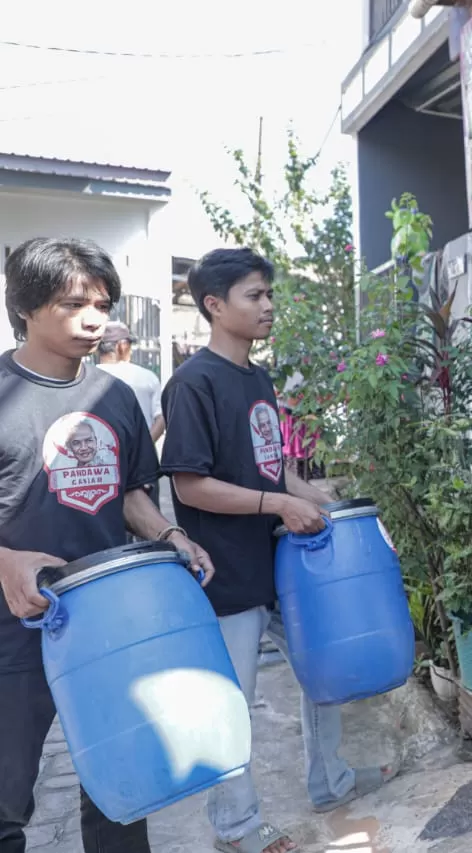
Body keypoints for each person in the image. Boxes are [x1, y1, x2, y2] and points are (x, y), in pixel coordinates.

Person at [159, 248, 397, 853]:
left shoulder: (257, 377)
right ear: (214, 305)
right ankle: (237, 830)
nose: (268, 306)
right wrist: (278, 507)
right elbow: (189, 484)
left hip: (289, 566)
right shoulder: (192, 384)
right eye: (254, 296)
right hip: (227, 570)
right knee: (232, 704)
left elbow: (275, 468)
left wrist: (319, 503)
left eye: (269, 294)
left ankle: (331, 779)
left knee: (324, 672)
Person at [0, 237, 214, 853]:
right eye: (74, 304)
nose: (95, 318)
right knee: (6, 794)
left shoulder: (114, 397)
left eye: (102, 302)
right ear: (27, 307)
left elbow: (125, 494)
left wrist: (170, 534)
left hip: (108, 621)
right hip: (15, 631)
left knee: (123, 786)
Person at [96, 321, 164, 443]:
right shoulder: (146, 377)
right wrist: (144, 448)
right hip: (140, 456)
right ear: (122, 346)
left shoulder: (88, 377)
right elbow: (161, 418)